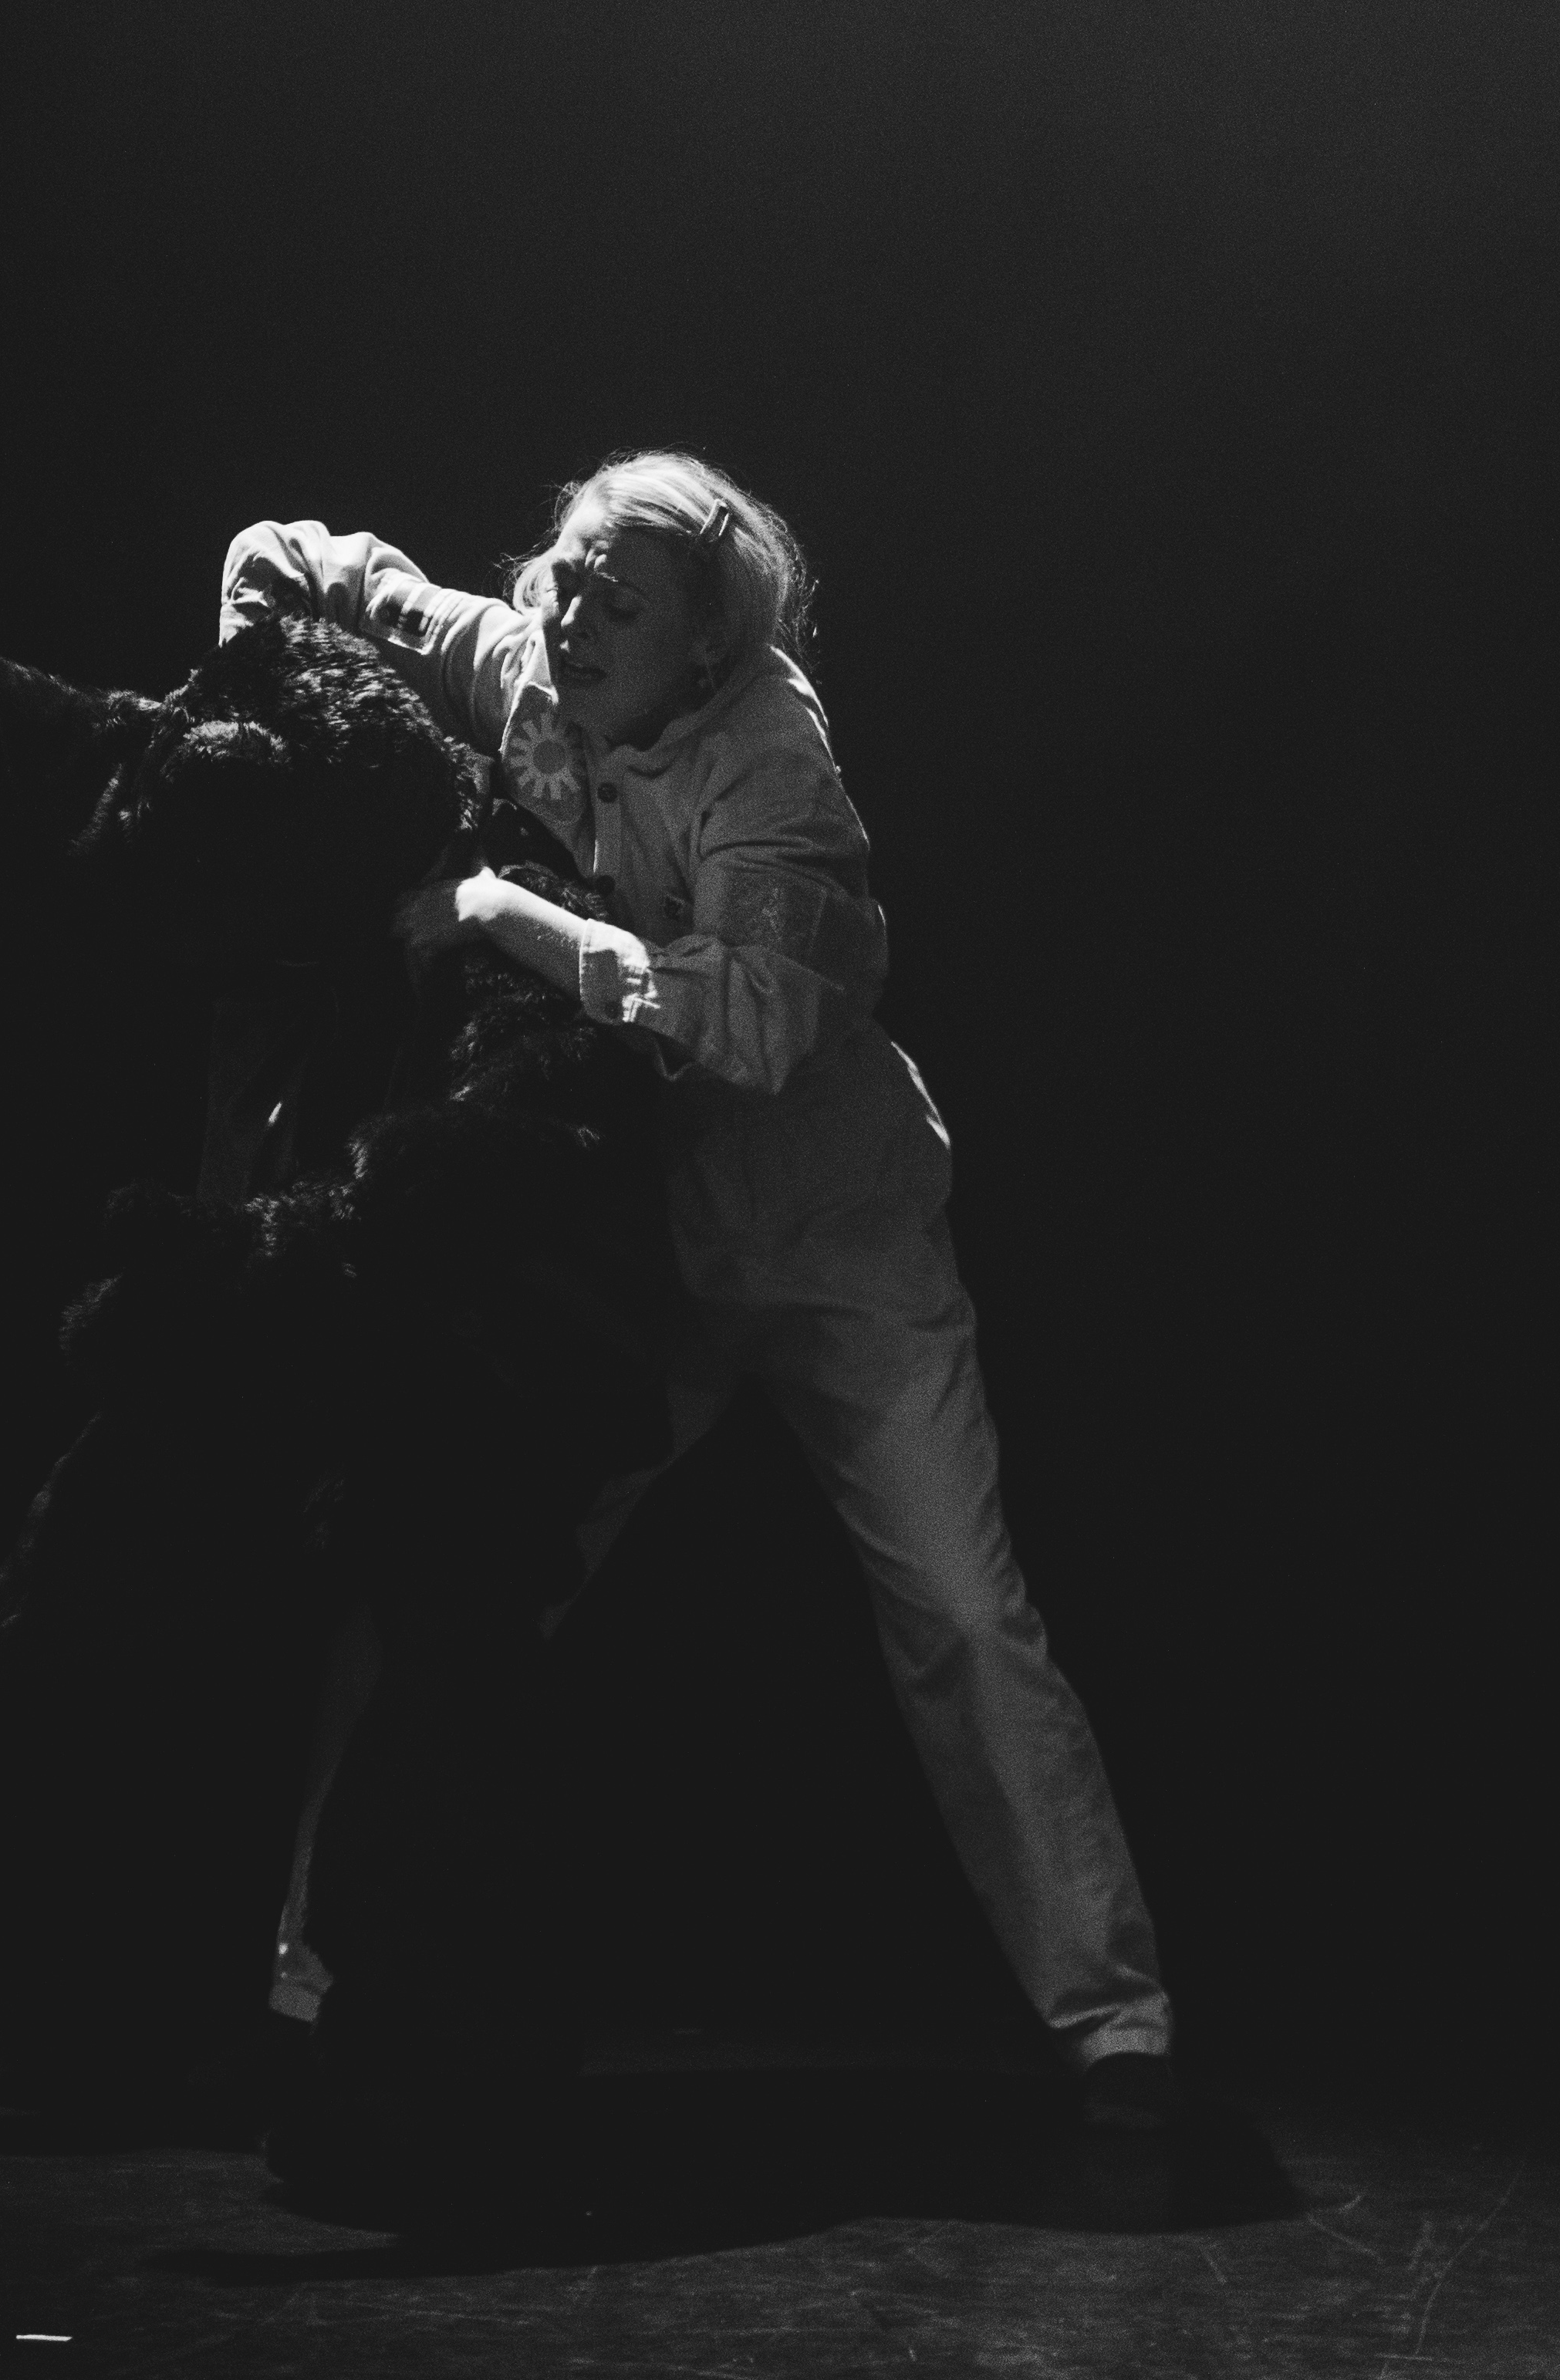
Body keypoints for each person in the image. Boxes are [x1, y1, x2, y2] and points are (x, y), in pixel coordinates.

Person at [217, 451, 1184, 2127]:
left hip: (835, 1245)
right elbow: (294, 556)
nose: (572, 616)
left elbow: (748, 1024)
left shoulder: (774, 759)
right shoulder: (526, 659)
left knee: (962, 1615)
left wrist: (501, 912)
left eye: (619, 601)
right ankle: (301, 1971)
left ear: (709, 646)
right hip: (649, 1251)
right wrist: (249, 673)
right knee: (450, 1565)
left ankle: (1116, 2026)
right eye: (568, 578)